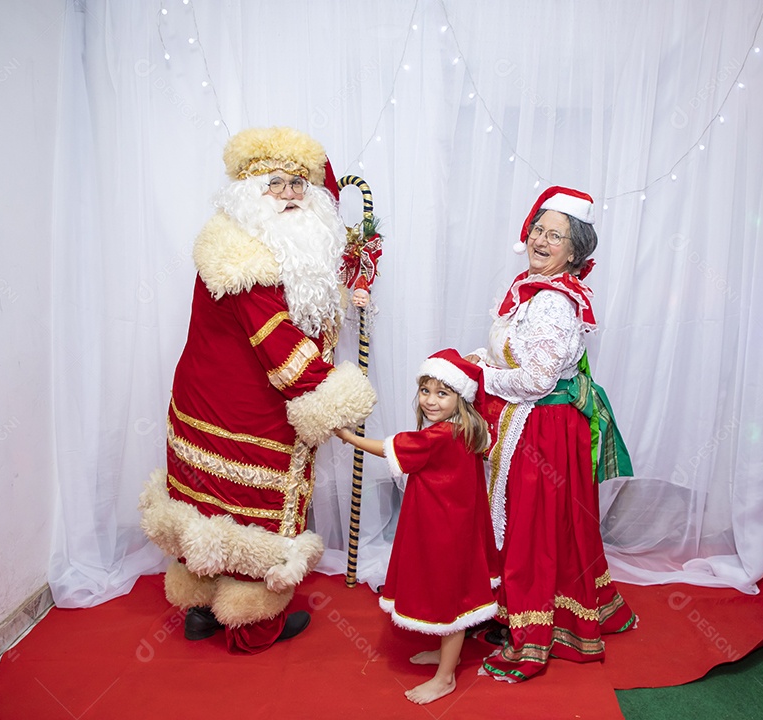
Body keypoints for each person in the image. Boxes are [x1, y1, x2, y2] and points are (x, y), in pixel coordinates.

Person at [139, 126, 377, 654]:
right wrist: (334, 398)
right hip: (252, 412)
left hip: (204, 400)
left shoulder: (260, 241)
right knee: (255, 514)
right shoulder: (247, 259)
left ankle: (200, 612)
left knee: (204, 503)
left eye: (299, 184)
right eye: (277, 183)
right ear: (249, 189)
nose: (290, 194)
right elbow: (280, 346)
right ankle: (254, 627)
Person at [467, 186, 636, 683]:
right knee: (532, 521)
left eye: (555, 235)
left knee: (533, 527)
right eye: (538, 229)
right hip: (532, 423)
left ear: (574, 250)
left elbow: (538, 381)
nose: (541, 240)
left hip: (541, 427)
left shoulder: (554, 304)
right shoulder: (533, 289)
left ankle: (533, 631)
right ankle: (524, 610)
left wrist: (479, 378)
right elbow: (518, 358)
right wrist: (484, 361)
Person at [336, 349, 499, 705]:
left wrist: (347, 437)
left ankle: (445, 679)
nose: (430, 400)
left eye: (442, 393)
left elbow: (389, 448)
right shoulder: (465, 429)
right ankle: (446, 658)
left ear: (461, 397)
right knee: (447, 592)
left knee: (449, 601)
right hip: (447, 524)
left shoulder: (441, 435)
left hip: (445, 531)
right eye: (425, 390)